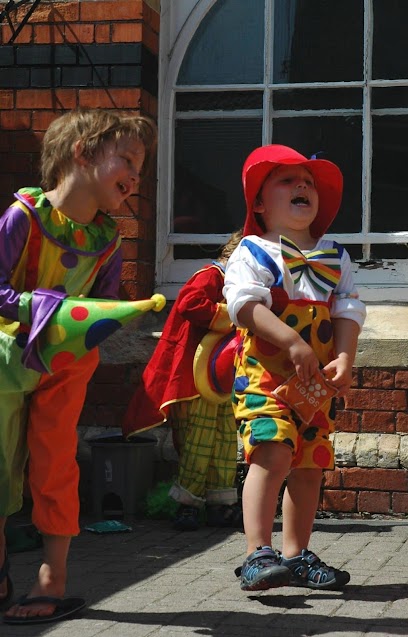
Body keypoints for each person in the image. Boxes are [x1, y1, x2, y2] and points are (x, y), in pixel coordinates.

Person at [0, 108, 157, 624]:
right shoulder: (24, 217)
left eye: (142, 166)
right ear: (83, 153)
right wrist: (34, 307)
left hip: (67, 367)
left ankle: (53, 578)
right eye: (128, 159)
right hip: (6, 358)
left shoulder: (108, 240)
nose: (137, 175)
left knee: (55, 464)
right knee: (1, 462)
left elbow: (103, 304)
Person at [223, 144, 367, 592]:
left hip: (315, 385)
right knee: (273, 451)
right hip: (265, 377)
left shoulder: (335, 255)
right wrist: (290, 341)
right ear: (260, 204)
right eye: (287, 180)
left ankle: (297, 554)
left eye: (308, 181)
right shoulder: (253, 250)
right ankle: (256, 553)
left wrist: (344, 356)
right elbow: (243, 305)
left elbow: (347, 309)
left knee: (309, 464)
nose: (302, 185)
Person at [122, 230, 244, 532]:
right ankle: (187, 506)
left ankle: (220, 504)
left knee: (225, 442)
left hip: (219, 377)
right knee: (199, 443)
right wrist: (229, 314)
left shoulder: (236, 284)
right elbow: (190, 304)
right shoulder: (210, 276)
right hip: (194, 377)